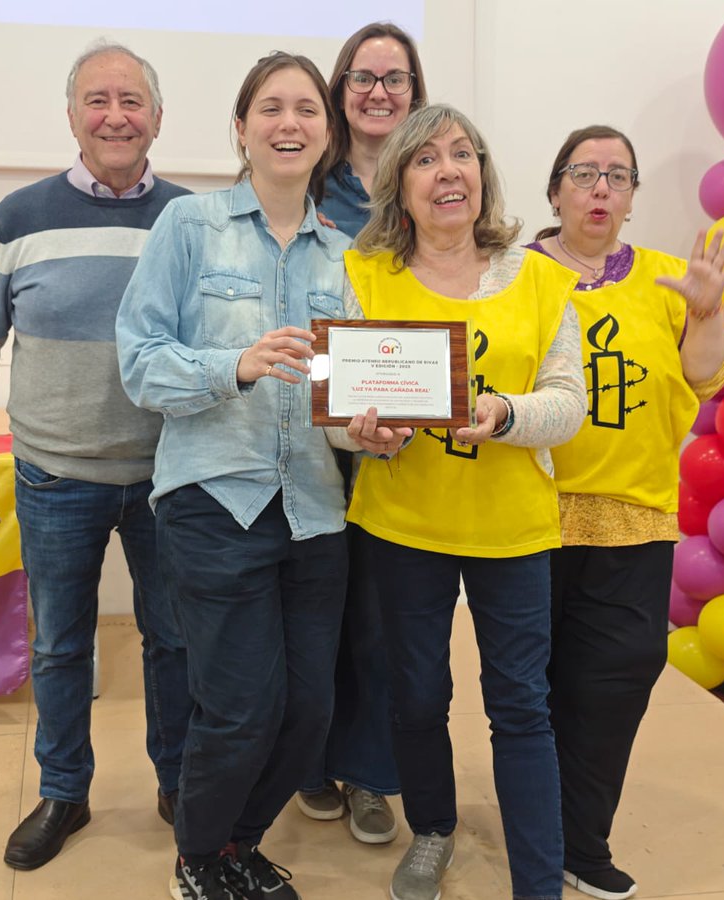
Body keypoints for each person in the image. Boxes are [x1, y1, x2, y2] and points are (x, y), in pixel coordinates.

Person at [117, 52, 408, 900]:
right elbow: (139, 364)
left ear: (329, 132)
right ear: (241, 128)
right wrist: (234, 365)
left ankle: (238, 846)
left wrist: (379, 433)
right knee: (240, 708)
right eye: (271, 108)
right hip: (215, 502)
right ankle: (197, 860)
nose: (290, 123)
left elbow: (360, 401)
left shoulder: (346, 258)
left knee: (309, 712)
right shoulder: (190, 227)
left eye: (307, 110)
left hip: (315, 512)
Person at [0, 39, 193, 871]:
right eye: (98, 100)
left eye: (132, 100)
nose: (115, 115)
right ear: (72, 117)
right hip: (55, 477)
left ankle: (181, 781)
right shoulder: (16, 219)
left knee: (175, 639)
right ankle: (63, 791)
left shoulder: (192, 220)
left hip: (171, 478)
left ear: (158, 117)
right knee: (59, 644)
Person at [344, 103, 587, 900]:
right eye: (425, 160)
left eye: (463, 155)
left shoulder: (544, 279)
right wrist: (364, 435)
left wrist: (509, 415)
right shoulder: (361, 275)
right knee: (417, 695)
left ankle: (539, 882)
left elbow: (568, 402)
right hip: (403, 525)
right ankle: (435, 829)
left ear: (482, 173)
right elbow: (339, 414)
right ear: (399, 185)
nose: (448, 171)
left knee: (520, 705)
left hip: (513, 530)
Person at [528, 126, 724, 900]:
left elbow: (704, 377)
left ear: (633, 197)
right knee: (533, 688)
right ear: (555, 190)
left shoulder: (672, 278)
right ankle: (536, 834)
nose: (601, 189)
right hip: (528, 517)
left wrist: (709, 315)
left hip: (635, 517)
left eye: (619, 176)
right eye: (584, 173)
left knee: (615, 681)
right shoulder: (513, 273)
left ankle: (584, 841)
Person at [296, 19, 428, 846]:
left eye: (396, 78)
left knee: (385, 618)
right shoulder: (306, 180)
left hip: (408, 436)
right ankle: (309, 761)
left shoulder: (436, 180)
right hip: (317, 430)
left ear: (417, 91)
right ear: (341, 89)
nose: (379, 92)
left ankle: (374, 775)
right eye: (363, 77)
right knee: (316, 611)